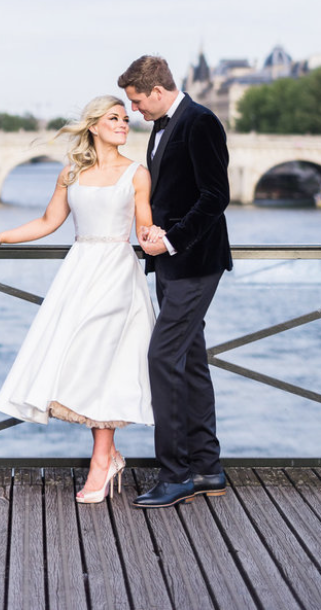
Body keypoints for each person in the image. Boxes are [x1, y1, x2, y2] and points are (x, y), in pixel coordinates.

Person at [0, 95, 155, 503]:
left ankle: (100, 463)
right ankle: (109, 454)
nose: (123, 123)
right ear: (93, 126)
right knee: (79, 359)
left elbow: (145, 229)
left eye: (125, 118)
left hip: (118, 274)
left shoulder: (138, 174)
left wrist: (159, 241)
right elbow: (49, 222)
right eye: (114, 118)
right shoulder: (71, 173)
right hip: (79, 272)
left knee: (105, 358)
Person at [117, 55, 232, 509]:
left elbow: (215, 197)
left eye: (137, 100)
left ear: (159, 90)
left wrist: (171, 241)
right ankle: (207, 467)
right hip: (172, 262)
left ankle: (176, 474)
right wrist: (153, 234)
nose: (134, 110)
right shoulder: (165, 123)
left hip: (195, 261)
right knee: (191, 361)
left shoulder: (200, 122)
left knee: (162, 357)